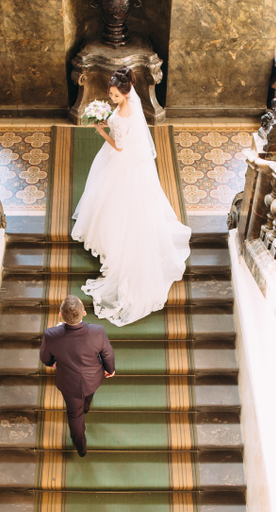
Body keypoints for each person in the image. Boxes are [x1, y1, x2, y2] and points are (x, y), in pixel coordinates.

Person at [72, 68, 191, 327]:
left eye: (115, 95)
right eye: (111, 94)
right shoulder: (131, 103)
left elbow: (120, 146)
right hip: (131, 161)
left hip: (121, 160)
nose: (112, 98)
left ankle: (115, 242)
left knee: (114, 201)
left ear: (125, 93)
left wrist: (101, 130)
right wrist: (109, 119)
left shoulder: (125, 111)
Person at [39, 294, 115, 457]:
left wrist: (51, 361)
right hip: (92, 378)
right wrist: (110, 369)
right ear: (84, 313)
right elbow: (107, 353)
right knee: (88, 393)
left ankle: (81, 447)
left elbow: (45, 358)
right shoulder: (97, 331)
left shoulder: (50, 335)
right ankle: (86, 405)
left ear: (60, 315)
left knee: (75, 415)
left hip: (69, 384)